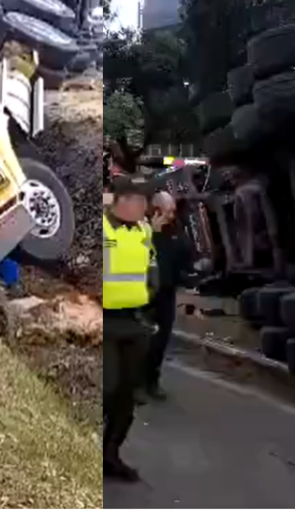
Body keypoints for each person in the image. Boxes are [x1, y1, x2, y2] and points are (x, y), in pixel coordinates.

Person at [102, 176, 156, 482]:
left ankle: (111, 454)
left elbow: (150, 265)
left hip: (134, 321)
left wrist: (152, 288)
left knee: (127, 395)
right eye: (139, 200)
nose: (144, 207)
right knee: (107, 388)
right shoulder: (103, 229)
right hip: (105, 320)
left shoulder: (144, 229)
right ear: (122, 201)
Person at [141, 191, 191, 401]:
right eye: (169, 211)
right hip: (146, 294)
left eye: (173, 211)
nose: (172, 215)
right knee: (145, 341)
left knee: (161, 341)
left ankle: (152, 381)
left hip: (167, 294)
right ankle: (137, 383)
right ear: (157, 210)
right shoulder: (143, 231)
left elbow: (185, 253)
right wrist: (155, 234)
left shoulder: (175, 230)